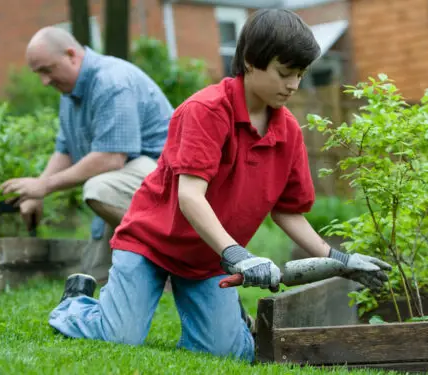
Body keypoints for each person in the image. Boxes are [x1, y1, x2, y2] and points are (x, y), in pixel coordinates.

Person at [47, 9, 393, 363]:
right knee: (119, 336)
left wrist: (339, 260)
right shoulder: (206, 110)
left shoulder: (287, 131)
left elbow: (287, 212)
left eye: (300, 75)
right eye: (284, 73)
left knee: (227, 354)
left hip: (210, 258)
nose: (293, 85)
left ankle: (229, 322)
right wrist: (239, 256)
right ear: (250, 62)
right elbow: (190, 196)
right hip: (151, 244)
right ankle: (76, 303)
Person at [0, 27, 174, 282]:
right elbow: (66, 150)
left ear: (72, 55)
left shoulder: (111, 81)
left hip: (166, 181)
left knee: (99, 188)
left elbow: (110, 158)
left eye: (47, 70)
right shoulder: (70, 93)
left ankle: (171, 258)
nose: (44, 81)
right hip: (128, 183)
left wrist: (45, 186)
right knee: (94, 275)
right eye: (39, 74)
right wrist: (36, 192)